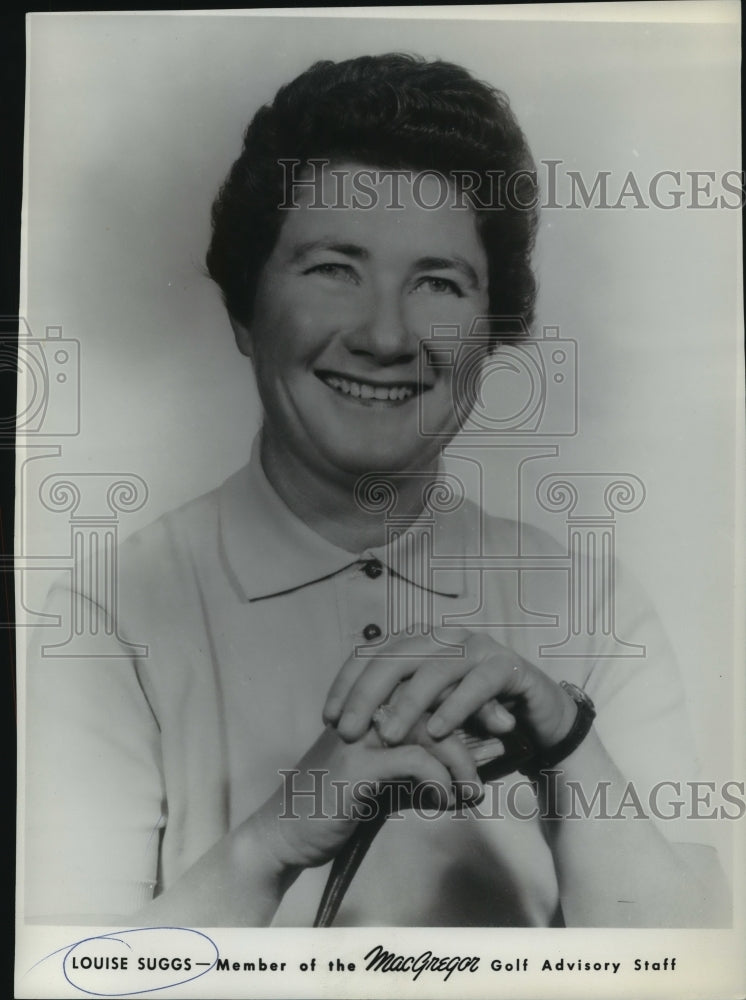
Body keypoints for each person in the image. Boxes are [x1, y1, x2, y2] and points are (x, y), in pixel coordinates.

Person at [25, 53, 728, 928]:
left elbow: (691, 974)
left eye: (438, 282)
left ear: (489, 328)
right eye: (333, 268)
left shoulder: (597, 603)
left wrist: (570, 745)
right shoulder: (108, 615)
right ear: (245, 312)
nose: (388, 336)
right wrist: (275, 838)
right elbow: (72, 982)